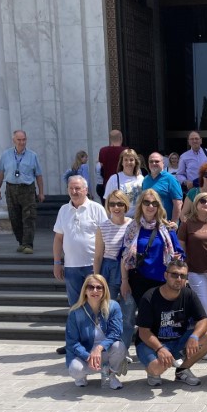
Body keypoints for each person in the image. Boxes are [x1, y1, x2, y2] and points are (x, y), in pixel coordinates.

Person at [136, 259, 207, 386]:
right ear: (166, 275)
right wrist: (160, 348)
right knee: (157, 369)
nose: (179, 279)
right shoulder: (149, 297)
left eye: (183, 276)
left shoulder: (189, 294)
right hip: (152, 344)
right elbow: (143, 332)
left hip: (178, 341)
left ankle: (182, 371)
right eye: (174, 275)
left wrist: (194, 336)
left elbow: (203, 320)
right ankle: (152, 370)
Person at [120, 189, 186, 310]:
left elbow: (180, 255)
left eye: (154, 203)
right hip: (139, 281)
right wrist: (124, 281)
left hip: (163, 282)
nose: (150, 206)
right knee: (144, 316)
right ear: (141, 204)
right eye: (146, 202)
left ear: (158, 206)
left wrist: (177, 258)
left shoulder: (167, 228)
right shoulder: (133, 227)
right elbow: (124, 257)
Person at [54, 176, 108, 307]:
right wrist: (57, 262)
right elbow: (58, 238)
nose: (74, 192)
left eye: (77, 188)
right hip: (71, 267)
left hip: (93, 265)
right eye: (71, 188)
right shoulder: (63, 210)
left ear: (86, 190)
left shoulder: (97, 208)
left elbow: (106, 237)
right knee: (75, 305)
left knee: (95, 304)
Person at [65, 275, 127, 389]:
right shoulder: (75, 312)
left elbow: (115, 333)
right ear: (85, 290)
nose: (95, 290)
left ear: (104, 290)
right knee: (75, 369)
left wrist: (98, 348)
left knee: (119, 346)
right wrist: (88, 356)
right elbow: (72, 342)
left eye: (99, 287)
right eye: (91, 287)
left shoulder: (113, 307)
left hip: (105, 350)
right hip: (85, 353)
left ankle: (110, 375)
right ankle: (82, 376)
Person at [93, 190, 135, 351]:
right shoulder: (102, 227)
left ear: (126, 205)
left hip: (129, 270)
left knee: (128, 313)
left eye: (120, 203)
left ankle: (123, 349)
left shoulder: (133, 224)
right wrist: (95, 279)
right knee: (106, 311)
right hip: (108, 270)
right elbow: (98, 256)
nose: (116, 207)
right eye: (112, 204)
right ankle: (107, 348)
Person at [177, 192, 207, 329]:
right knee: (205, 305)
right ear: (196, 203)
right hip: (195, 271)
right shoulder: (187, 223)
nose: (206, 204)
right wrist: (183, 269)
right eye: (203, 201)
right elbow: (181, 248)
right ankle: (204, 337)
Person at [0, 130, 45, 254]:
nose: (22, 142)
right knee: (14, 217)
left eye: (24, 139)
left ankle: (28, 244)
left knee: (29, 217)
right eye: (19, 140)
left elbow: (38, 175)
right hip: (11, 189)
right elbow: (1, 172)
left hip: (27, 189)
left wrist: (41, 192)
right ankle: (21, 242)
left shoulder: (32, 155)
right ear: (14, 140)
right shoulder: (6, 154)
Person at [142, 152, 183, 224]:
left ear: (163, 163)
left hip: (165, 223)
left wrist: (173, 222)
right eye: (151, 161)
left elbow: (178, 203)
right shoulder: (145, 179)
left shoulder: (170, 179)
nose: (153, 163)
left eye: (157, 161)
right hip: (148, 224)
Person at [103, 148, 143, 218]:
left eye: (131, 160)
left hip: (136, 219)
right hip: (119, 219)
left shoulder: (141, 179)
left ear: (135, 162)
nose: (128, 162)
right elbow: (107, 202)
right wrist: (109, 220)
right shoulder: (114, 179)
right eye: (126, 160)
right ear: (122, 162)